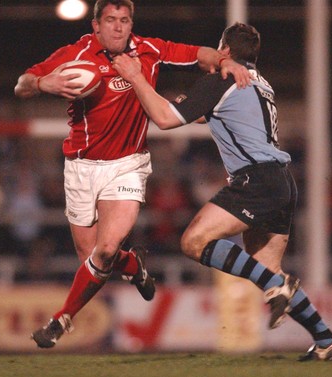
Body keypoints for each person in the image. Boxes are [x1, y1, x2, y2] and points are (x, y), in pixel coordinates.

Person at [14, 0, 252, 348]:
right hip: (80, 167)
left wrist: (224, 59)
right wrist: (41, 84)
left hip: (128, 164)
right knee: (93, 259)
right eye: (110, 20)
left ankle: (60, 320)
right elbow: (21, 84)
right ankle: (134, 266)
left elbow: (200, 55)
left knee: (106, 250)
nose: (118, 27)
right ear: (96, 26)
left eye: (124, 20)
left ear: (130, 24)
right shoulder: (75, 54)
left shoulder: (149, 50)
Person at [112, 22, 332, 361]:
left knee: (194, 241)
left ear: (224, 51)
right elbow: (216, 115)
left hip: (256, 180)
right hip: (281, 181)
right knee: (269, 269)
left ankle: (274, 288)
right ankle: (326, 339)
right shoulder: (258, 84)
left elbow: (164, 119)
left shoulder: (222, 80)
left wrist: (136, 77)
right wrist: (189, 103)